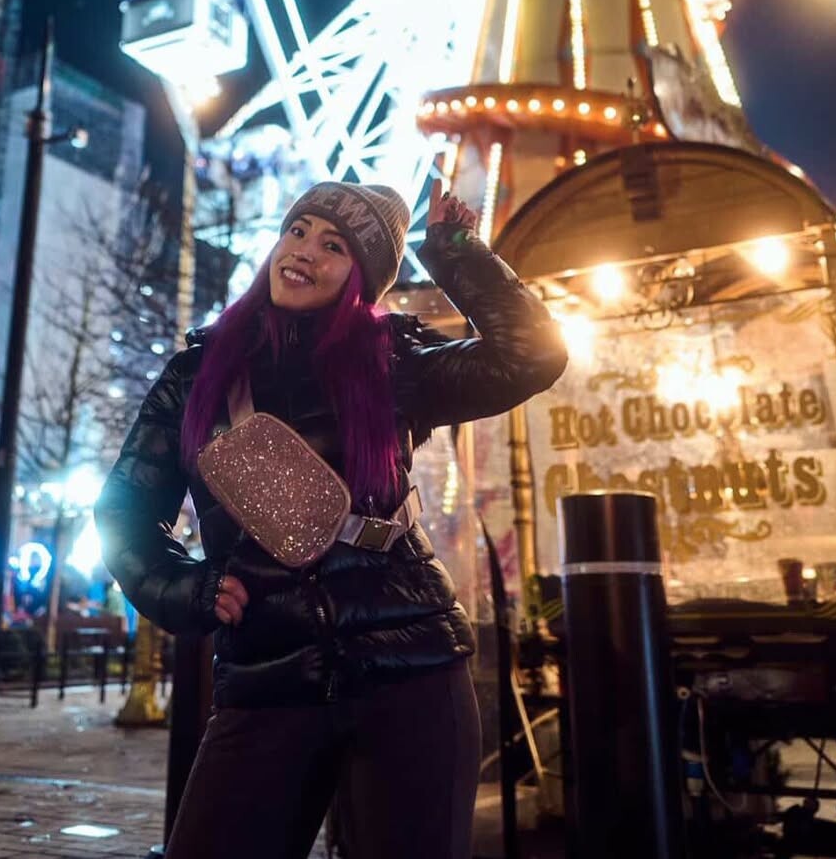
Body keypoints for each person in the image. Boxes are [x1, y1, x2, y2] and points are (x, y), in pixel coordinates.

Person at [96, 180, 567, 859]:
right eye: (298, 231)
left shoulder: (391, 360)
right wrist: (184, 588)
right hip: (267, 673)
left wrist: (456, 251)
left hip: (411, 663)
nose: (304, 252)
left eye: (334, 245)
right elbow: (125, 510)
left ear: (361, 277)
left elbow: (532, 355)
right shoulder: (196, 375)